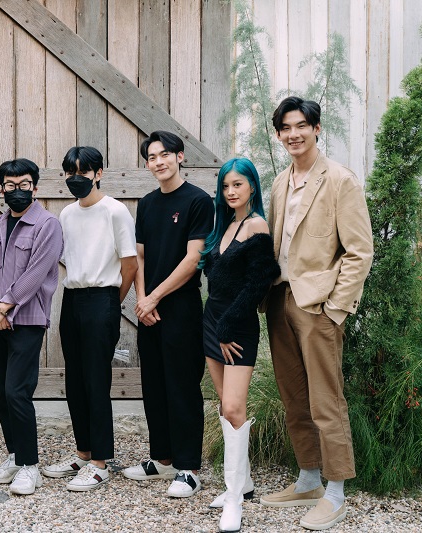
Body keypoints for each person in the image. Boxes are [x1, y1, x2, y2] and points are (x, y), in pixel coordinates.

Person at [260, 97, 373, 531]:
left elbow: (359, 251)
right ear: (278, 134)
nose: (294, 134)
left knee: (327, 400)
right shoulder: (279, 182)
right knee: (294, 397)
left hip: (318, 306)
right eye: (286, 128)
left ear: (316, 128)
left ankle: (336, 492)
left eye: (301, 125)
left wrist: (336, 308)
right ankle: (308, 480)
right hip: (279, 300)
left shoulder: (340, 180)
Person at [123, 130, 214, 498]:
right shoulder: (147, 204)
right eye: (151, 157)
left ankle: (188, 468)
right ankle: (162, 459)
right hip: (150, 309)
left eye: (164, 154)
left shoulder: (198, 201)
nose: (158, 162)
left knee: (182, 386)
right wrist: (143, 298)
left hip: (181, 307)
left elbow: (193, 260)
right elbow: (140, 256)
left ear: (180, 157)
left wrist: (155, 297)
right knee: (154, 385)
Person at [42, 146, 137, 491]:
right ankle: (83, 452)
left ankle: (101, 462)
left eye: (83, 171)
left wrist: (111, 304)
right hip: (72, 298)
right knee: (75, 380)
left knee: (96, 381)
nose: (76, 178)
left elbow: (130, 265)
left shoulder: (115, 211)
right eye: (70, 172)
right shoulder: (67, 214)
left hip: (103, 297)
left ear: (98, 173)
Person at [198, 158, 280, 532]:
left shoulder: (256, 224)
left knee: (233, 407)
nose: (231, 191)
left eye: (238, 184)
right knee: (224, 404)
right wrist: (217, 324)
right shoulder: (225, 225)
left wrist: (230, 324)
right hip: (212, 322)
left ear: (252, 187)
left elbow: (261, 280)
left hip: (236, 325)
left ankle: (234, 499)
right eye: (226, 186)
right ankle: (242, 483)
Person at [0, 158, 63, 496]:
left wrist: (5, 306)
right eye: (10, 185)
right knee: (2, 392)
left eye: (24, 184)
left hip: (27, 320)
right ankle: (15, 456)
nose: (17, 190)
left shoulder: (47, 224)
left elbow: (37, 272)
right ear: (2, 189)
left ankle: (30, 466)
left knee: (17, 391)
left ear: (35, 187)